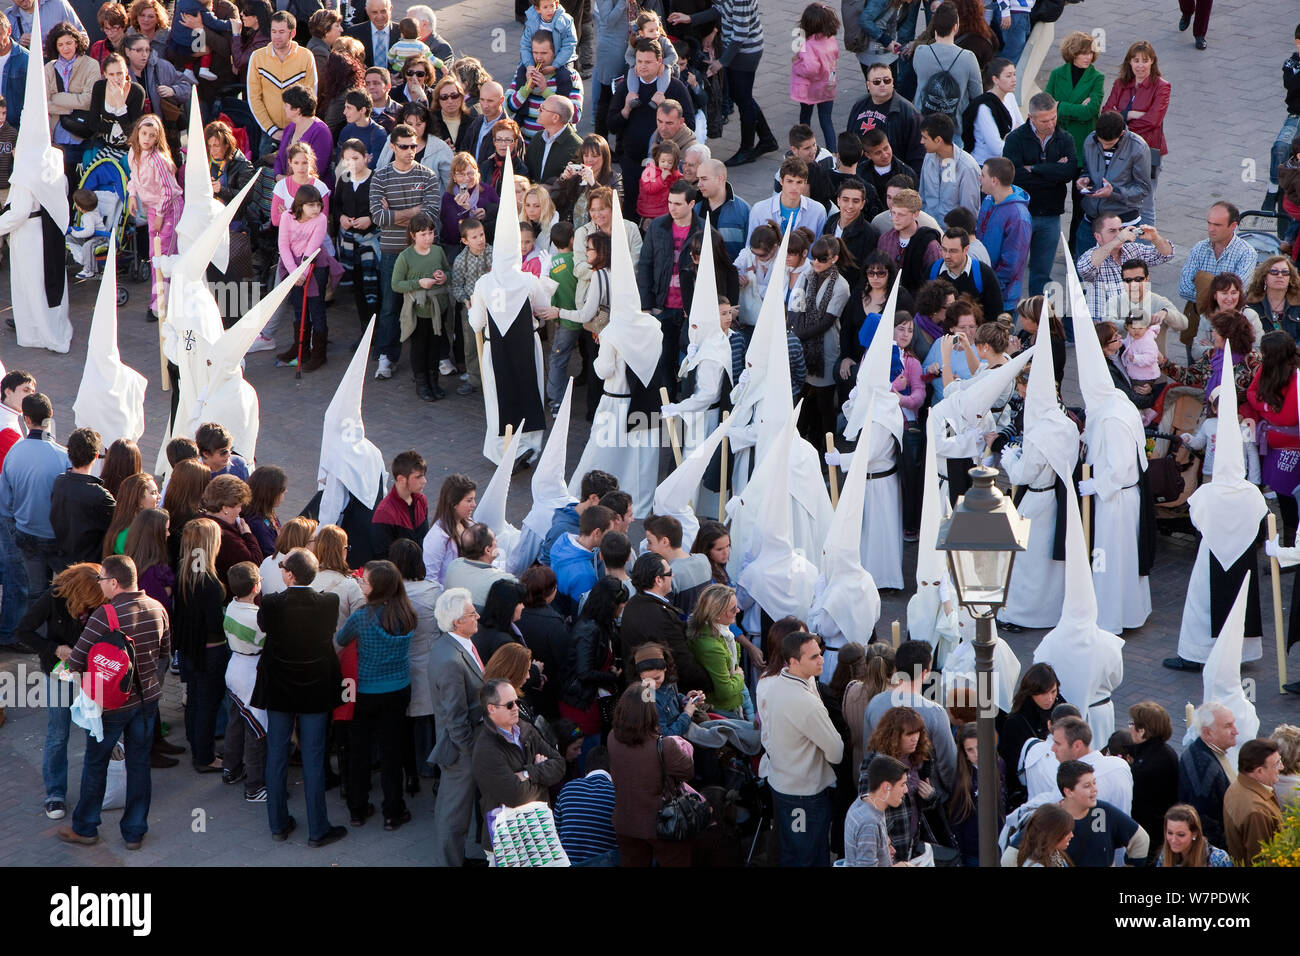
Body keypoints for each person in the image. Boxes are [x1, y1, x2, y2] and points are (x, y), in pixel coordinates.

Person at [57, 555, 169, 850]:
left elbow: (78, 659)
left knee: (95, 763)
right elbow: (165, 655)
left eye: (101, 579)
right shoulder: (158, 608)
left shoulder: (105, 615)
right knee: (139, 763)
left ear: (114, 582)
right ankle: (134, 832)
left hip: (111, 706)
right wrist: (151, 684)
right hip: (148, 702)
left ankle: (86, 827)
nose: (100, 584)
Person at [253, 547, 346, 847]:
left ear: (290, 575)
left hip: (280, 691)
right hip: (315, 691)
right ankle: (318, 829)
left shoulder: (271, 603)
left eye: (282, 568)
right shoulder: (328, 602)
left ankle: (277, 824)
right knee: (314, 757)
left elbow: (265, 628)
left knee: (277, 755)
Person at [18, 562, 108, 819]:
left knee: (96, 729)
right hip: (59, 673)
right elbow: (24, 631)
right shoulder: (54, 597)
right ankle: (55, 794)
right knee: (58, 733)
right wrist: (55, 648)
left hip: (92, 674)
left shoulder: (103, 597)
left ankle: (96, 790)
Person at [335, 559, 415, 830]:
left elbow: (343, 639)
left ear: (377, 588)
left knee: (360, 751)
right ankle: (393, 812)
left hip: (365, 693)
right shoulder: (407, 615)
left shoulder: (361, 617)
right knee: (392, 753)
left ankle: (357, 808)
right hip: (398, 689)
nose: (360, 582)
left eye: (364, 580)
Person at [757, 630, 842, 866]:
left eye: (820, 654)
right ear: (793, 662)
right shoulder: (804, 702)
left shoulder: (773, 685)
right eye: (814, 657)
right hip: (803, 794)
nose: (822, 659)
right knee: (806, 855)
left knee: (794, 850)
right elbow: (836, 750)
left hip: (782, 784)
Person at [370, 123, 441, 381]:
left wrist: (395, 214)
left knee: (427, 304)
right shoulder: (380, 177)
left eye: (414, 146)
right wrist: (413, 212)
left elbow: (431, 215)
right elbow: (378, 217)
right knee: (390, 305)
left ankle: (433, 359)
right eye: (404, 146)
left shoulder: (428, 176)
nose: (410, 151)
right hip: (391, 251)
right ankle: (386, 357)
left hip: (422, 252)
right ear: (392, 147)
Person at [608, 682, 696, 867]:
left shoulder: (612, 738)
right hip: (662, 824)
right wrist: (683, 745)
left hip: (625, 822)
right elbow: (687, 770)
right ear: (650, 712)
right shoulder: (665, 746)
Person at [428, 587, 486, 866]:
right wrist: (472, 751)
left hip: (463, 743)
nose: (477, 616)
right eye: (471, 613)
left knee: (452, 808)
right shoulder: (451, 660)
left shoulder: (453, 645)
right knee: (455, 813)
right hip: (461, 749)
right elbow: (456, 717)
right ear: (456, 622)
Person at [1003, 92, 1077, 298]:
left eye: (1054, 118)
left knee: (1042, 275)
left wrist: (1034, 168)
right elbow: (1015, 176)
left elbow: (1069, 172)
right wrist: (1053, 172)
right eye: (1045, 120)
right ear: (1031, 117)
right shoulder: (1016, 139)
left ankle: (1038, 321)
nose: (1051, 124)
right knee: (1013, 270)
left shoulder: (1065, 138)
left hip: (1051, 215)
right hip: (1022, 215)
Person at [862, 641, 958, 798]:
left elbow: (868, 753)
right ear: (925, 673)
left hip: (883, 789)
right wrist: (947, 794)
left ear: (896, 669)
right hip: (922, 794)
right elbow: (947, 764)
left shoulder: (875, 703)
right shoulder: (935, 713)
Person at [0, 393, 69, 601]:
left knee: (36, 593)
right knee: (67, 589)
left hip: (26, 534)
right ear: (51, 415)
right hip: (56, 536)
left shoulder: (14, 454)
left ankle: (36, 630)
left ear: (26, 419)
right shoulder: (63, 456)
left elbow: (4, 503)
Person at [173, 517, 228, 774]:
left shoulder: (184, 570)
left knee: (194, 700)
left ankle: (197, 745)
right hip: (210, 651)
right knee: (208, 703)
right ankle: (205, 757)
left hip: (188, 649)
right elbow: (216, 624)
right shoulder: (209, 582)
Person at [472, 677, 566, 825]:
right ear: (491, 708)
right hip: (509, 836)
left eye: (517, 702)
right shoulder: (486, 749)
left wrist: (527, 773)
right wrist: (542, 775)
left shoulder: (526, 729)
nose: (516, 707)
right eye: (509, 705)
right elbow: (515, 796)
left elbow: (560, 766)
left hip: (540, 825)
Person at [1043, 31, 1103, 254]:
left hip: (1082, 149)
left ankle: (1075, 248)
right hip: (1057, 146)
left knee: (1080, 204)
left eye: (1090, 52)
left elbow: (1091, 111)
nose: (1088, 57)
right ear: (1073, 53)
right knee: (1051, 199)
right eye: (1083, 52)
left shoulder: (1097, 78)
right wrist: (1069, 108)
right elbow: (1047, 105)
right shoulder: (1058, 74)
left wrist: (1062, 107)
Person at [620, 553, 711, 694]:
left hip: (641, 690)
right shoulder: (661, 617)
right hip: (657, 696)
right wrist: (709, 684)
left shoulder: (633, 604)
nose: (672, 576)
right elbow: (682, 661)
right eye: (669, 573)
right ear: (658, 580)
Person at [1102, 41, 1171, 226]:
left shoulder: (1162, 86)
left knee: (1145, 202)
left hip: (1148, 149)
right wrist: (1129, 114)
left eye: (1145, 60)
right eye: (1136, 60)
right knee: (1120, 199)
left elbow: (1153, 120)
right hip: (1121, 150)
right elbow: (1107, 112)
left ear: (1152, 62)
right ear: (1129, 62)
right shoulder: (1120, 84)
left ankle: (1146, 248)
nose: (1140, 65)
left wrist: (1121, 125)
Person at [125, 114, 181, 321]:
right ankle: (160, 300)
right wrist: (132, 195)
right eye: (144, 134)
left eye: (152, 135)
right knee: (153, 255)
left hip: (168, 209)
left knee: (163, 256)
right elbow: (134, 177)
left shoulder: (158, 160)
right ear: (137, 133)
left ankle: (160, 304)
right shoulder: (134, 152)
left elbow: (168, 192)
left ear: (157, 138)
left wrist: (159, 216)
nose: (147, 139)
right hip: (152, 208)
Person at [222, 561, 267, 802]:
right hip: (251, 673)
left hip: (234, 669)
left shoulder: (231, 607)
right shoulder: (257, 618)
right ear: (254, 587)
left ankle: (231, 768)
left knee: (236, 721)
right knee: (257, 729)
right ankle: (255, 786)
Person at [1075, 215, 1175, 324]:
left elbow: (1167, 254)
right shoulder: (1092, 256)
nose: (1119, 234)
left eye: (1120, 229)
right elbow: (1084, 268)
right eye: (1112, 231)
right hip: (1105, 328)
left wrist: (1155, 238)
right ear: (1098, 237)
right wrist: (1117, 240)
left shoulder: (1133, 249)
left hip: (1135, 325)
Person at [559, 574, 624, 738]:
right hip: (582, 705)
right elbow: (584, 672)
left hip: (591, 700)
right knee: (583, 747)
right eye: (622, 603)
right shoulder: (589, 630)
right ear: (611, 605)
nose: (624, 607)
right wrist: (612, 677)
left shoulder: (603, 625)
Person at [246, 11, 317, 157]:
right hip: (268, 133)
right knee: (267, 176)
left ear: (293, 33)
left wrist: (299, 127)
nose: (277, 36)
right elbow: (254, 98)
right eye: (274, 31)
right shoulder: (257, 57)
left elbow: (311, 97)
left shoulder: (306, 56)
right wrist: (272, 130)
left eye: (282, 32)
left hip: (299, 131)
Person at [49, 428, 114, 569]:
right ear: (96, 456)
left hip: (62, 562)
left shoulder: (59, 482)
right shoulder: (101, 496)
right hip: (87, 569)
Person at [845, 61, 924, 173]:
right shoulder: (859, 105)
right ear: (868, 85)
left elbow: (918, 153)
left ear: (892, 82)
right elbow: (850, 140)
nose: (882, 84)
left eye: (887, 80)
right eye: (877, 82)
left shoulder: (909, 113)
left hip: (894, 176)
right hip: (863, 174)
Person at [1177, 702, 1237, 850]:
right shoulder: (1205, 771)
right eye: (1228, 726)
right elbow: (1207, 826)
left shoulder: (1203, 750)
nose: (1236, 731)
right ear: (1207, 733)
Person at [1125, 701, 1179, 862]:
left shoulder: (1148, 766)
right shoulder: (1163, 750)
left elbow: (1137, 802)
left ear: (1142, 731)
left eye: (1132, 724)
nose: (1129, 728)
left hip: (1150, 834)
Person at [975, 157, 1031, 303]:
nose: (979, 178)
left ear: (994, 181)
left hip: (1002, 297)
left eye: (983, 175)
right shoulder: (988, 200)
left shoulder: (1018, 216)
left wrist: (989, 285)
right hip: (983, 286)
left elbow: (1012, 263)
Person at [1223, 738, 1284, 865]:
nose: (1282, 767)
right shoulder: (1256, 812)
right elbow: (1261, 861)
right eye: (1277, 763)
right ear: (1259, 771)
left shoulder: (1237, 786)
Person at [554, 744, 618, 865]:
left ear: (586, 770)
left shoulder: (568, 788)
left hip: (568, 862)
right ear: (613, 770)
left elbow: (556, 828)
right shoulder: (616, 793)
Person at [844, 753, 912, 867]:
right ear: (886, 787)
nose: (906, 790)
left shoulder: (862, 801)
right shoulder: (869, 823)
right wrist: (902, 866)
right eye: (902, 784)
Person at [1158, 804, 1233, 867]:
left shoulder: (1217, 859)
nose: (1173, 840)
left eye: (1181, 835)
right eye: (1170, 833)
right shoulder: (1165, 855)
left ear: (1194, 833)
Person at [344, 0, 398, 70]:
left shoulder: (402, 32)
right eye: (374, 12)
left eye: (383, 11)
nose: (379, 16)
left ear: (390, 9)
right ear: (367, 11)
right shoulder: (354, 33)